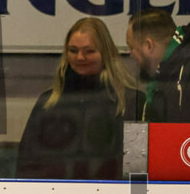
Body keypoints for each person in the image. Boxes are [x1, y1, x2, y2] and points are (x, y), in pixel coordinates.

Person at [17, 17, 142, 180]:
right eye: (73, 50)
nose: (80, 58)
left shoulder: (131, 101)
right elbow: (26, 164)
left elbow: (137, 168)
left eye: (89, 51)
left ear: (105, 54)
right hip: (55, 193)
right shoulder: (48, 102)